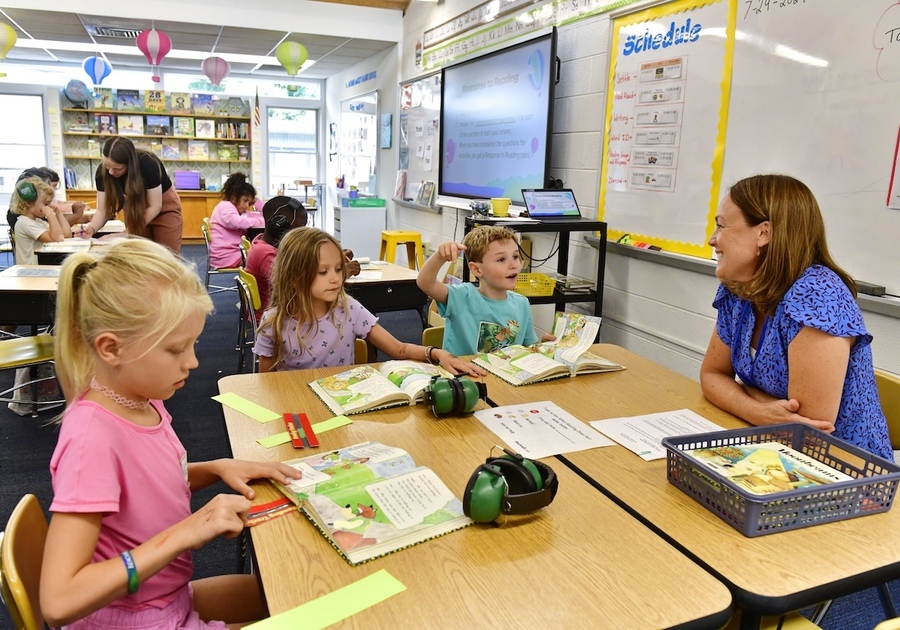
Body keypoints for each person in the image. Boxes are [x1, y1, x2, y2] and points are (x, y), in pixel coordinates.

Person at [40, 238, 302, 629]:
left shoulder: (140, 398)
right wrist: (184, 533)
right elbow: (59, 601)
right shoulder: (90, 440)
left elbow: (145, 487)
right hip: (131, 618)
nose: (193, 361)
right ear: (111, 349)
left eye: (193, 344)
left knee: (294, 594)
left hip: (165, 597)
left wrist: (215, 468)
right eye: (176, 349)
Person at [699, 174, 893, 461]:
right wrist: (759, 411)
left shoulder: (819, 295)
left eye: (722, 225)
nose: (712, 239)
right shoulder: (739, 289)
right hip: (769, 447)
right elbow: (711, 375)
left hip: (843, 468)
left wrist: (739, 393)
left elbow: (806, 430)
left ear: (763, 233)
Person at [253, 227, 485, 376]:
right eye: (323, 272)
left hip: (342, 403)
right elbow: (269, 384)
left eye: (337, 269)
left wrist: (438, 353)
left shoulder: (349, 309)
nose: (335, 278)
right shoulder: (274, 322)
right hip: (299, 407)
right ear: (295, 278)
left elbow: (399, 348)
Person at [417, 225, 550, 355]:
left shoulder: (522, 303)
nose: (513, 265)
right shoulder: (461, 297)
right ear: (476, 269)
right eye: (501, 259)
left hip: (502, 375)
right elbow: (425, 282)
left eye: (515, 257)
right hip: (464, 374)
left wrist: (544, 346)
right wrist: (439, 256)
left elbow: (528, 349)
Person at [245, 197, 359, 322]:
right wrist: (342, 272)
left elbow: (299, 266)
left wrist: (334, 259)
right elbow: (300, 287)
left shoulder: (262, 243)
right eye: (297, 230)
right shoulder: (266, 255)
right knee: (347, 310)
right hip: (281, 318)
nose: (301, 236)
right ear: (277, 226)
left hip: (287, 310)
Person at [81, 136, 184, 254]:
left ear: (130, 164)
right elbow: (103, 210)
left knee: (167, 256)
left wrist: (126, 233)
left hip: (163, 208)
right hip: (136, 210)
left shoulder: (148, 163)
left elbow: (155, 206)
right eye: (107, 166)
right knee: (139, 256)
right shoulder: (103, 172)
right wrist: (91, 228)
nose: (110, 172)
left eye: (117, 169)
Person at [10, 176, 72, 265]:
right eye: (46, 204)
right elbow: (56, 238)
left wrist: (58, 214)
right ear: (28, 203)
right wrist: (50, 215)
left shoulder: (38, 222)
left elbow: (66, 235)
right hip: (30, 272)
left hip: (38, 267)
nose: (49, 206)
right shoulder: (25, 223)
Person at [208, 173, 264, 269]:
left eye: (250, 203)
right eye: (245, 201)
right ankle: (254, 282)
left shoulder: (237, 210)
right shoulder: (225, 207)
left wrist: (257, 201)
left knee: (259, 256)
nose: (247, 205)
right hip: (225, 256)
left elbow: (265, 214)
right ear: (234, 197)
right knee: (260, 259)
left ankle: (251, 281)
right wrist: (259, 222)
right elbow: (237, 222)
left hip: (231, 253)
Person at [7, 167, 87, 231]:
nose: (49, 189)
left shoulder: (35, 216)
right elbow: (59, 232)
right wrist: (77, 215)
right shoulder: (27, 221)